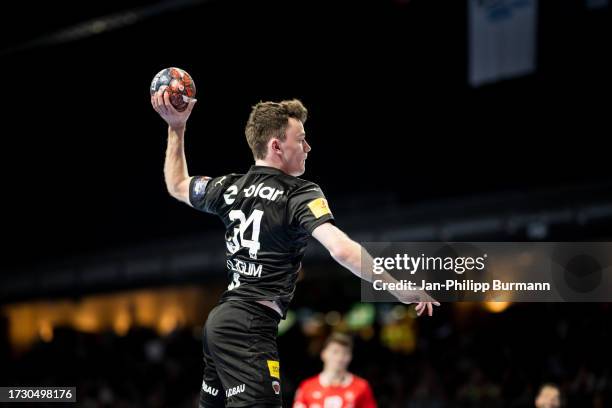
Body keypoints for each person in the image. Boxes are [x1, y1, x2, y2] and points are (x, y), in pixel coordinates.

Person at [150, 90, 439, 407]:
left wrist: (176, 127)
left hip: (219, 323)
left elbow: (177, 184)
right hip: (250, 326)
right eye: (300, 139)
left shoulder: (227, 186)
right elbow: (341, 249)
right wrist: (397, 288)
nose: (308, 147)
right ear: (276, 146)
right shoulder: (300, 193)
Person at [293, 333, 377, 408]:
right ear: (323, 354)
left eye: (345, 353)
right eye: (335, 352)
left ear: (350, 357)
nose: (339, 358)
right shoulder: (307, 387)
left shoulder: (362, 387)